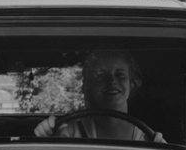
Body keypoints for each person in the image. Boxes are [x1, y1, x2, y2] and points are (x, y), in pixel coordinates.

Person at [34, 50, 164, 142]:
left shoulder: (147, 137)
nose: (112, 81)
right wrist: (45, 139)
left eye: (120, 75)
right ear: (89, 86)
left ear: (132, 83)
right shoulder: (69, 131)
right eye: (101, 75)